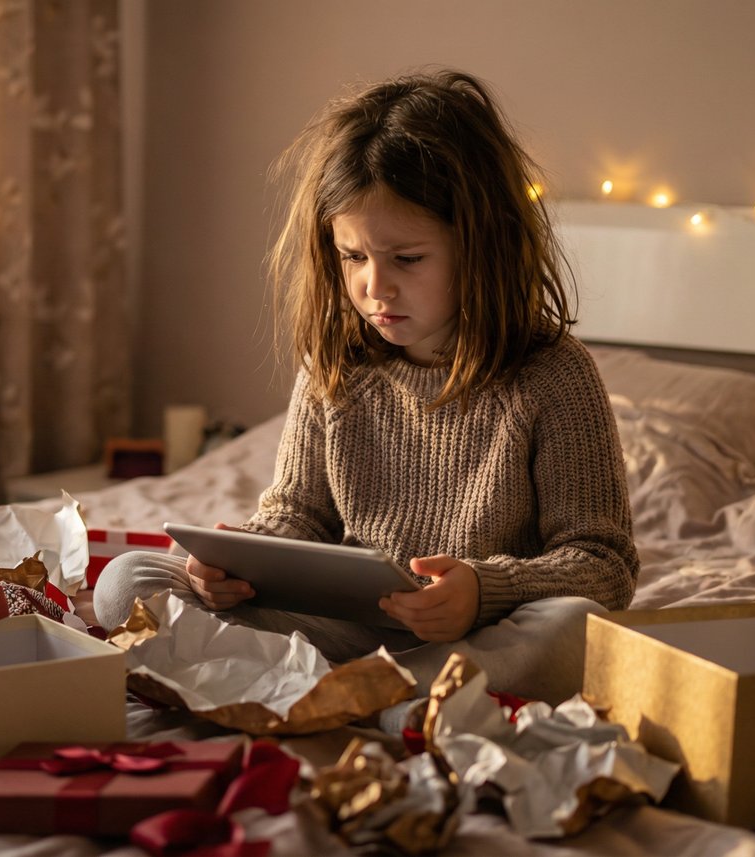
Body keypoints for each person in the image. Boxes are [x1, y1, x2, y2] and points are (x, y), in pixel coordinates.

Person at [93, 68, 637, 715]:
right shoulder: (337, 362)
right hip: (342, 629)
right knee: (128, 581)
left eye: (406, 258)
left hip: (471, 636)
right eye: (353, 256)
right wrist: (233, 566)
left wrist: (482, 587)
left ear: (482, 243)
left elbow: (603, 563)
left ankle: (327, 690)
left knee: (572, 626)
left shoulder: (551, 373)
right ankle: (371, 696)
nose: (375, 287)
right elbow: (301, 512)